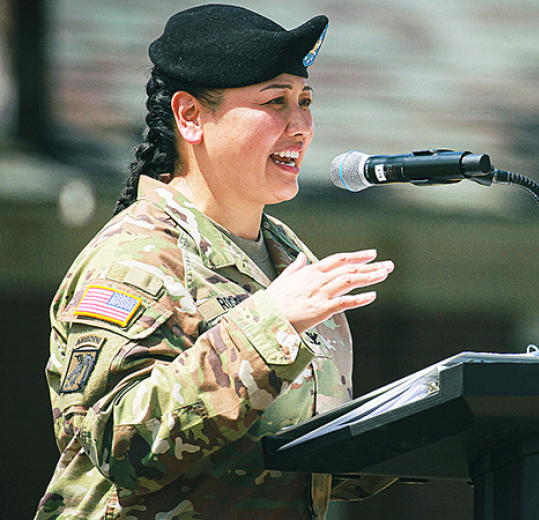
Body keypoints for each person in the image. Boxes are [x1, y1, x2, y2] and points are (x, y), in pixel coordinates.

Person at [35, 5, 396, 519]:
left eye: (306, 101)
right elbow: (121, 445)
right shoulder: (136, 259)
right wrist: (271, 326)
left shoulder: (287, 258)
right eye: (276, 101)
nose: (301, 127)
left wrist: (432, 417)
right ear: (190, 116)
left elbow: (285, 464)